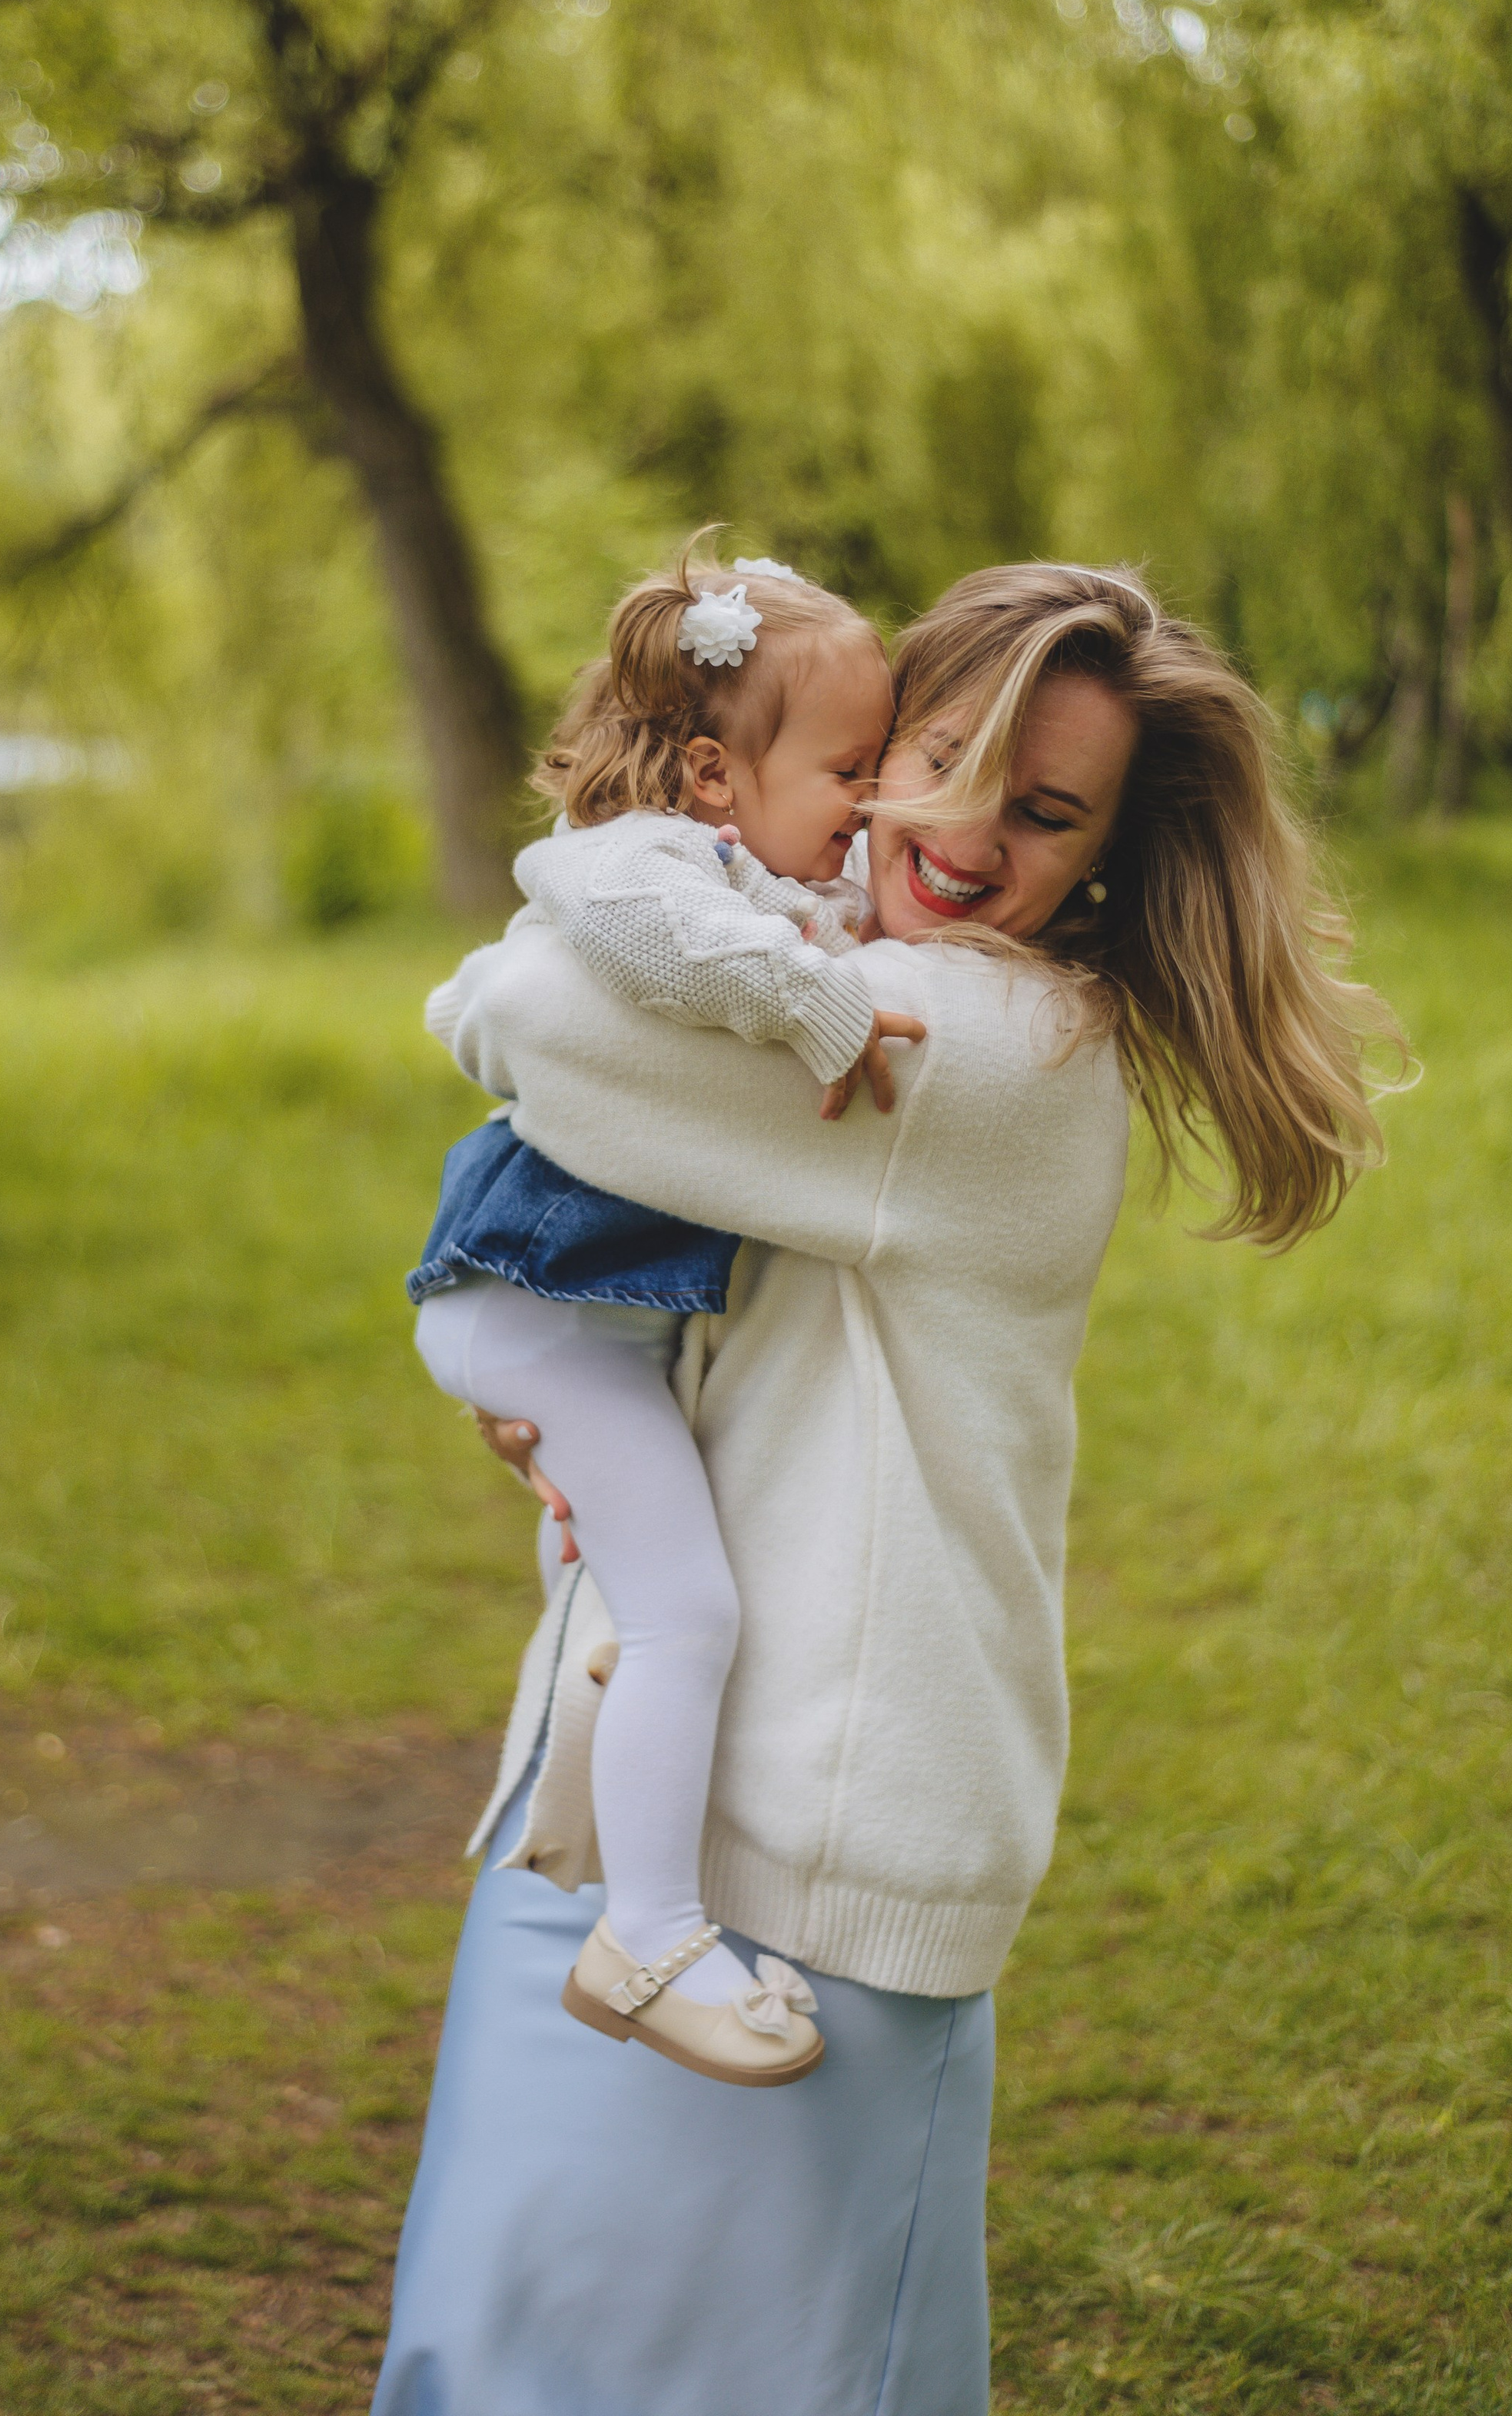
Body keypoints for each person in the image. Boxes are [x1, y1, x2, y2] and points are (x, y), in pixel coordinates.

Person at [374, 561, 1401, 2416]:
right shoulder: (818, 964)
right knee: (497, 2362)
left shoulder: (978, 1046)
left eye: (1044, 811)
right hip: (631, 1812)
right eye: (938, 761)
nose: (963, 833)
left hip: (816, 1851)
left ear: (1103, 859)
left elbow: (525, 1012)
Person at [408, 542, 920, 2088]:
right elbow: (637, 927)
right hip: (538, 1304)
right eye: (849, 769)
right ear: (710, 774)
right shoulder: (641, 860)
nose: (869, 804)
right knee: (691, 1616)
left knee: (639, 1590)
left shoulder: (764, 871)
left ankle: (618, 1724)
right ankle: (645, 1938)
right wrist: (814, 996)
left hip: (575, 1315)